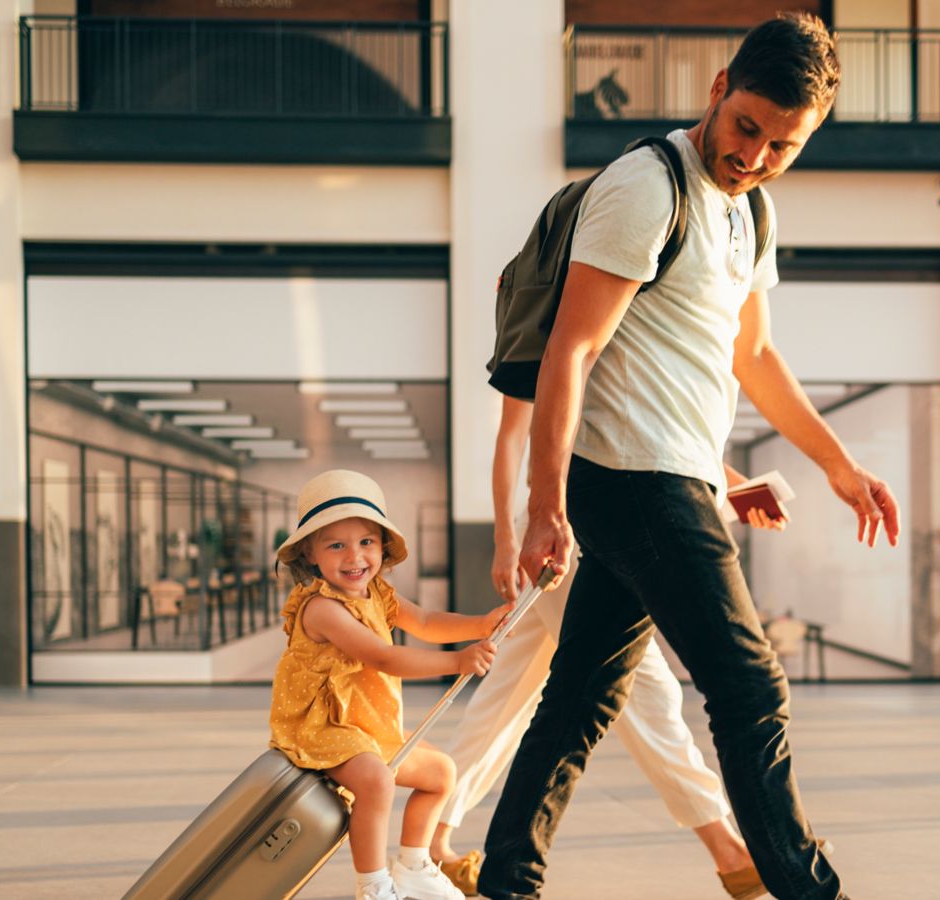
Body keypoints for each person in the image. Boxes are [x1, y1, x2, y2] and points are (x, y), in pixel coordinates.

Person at [477, 14, 899, 900]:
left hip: (674, 480)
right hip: (633, 480)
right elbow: (572, 351)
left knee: (578, 701)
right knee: (751, 690)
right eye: (747, 127)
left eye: (783, 145)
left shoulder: (752, 211)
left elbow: (753, 359)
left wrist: (836, 464)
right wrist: (545, 507)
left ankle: (508, 878)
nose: (755, 156)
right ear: (718, 89)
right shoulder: (646, 186)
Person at [429, 395, 787, 898]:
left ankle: (430, 840)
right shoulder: (554, 326)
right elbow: (512, 437)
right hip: (558, 532)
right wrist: (506, 540)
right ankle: (727, 851)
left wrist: (737, 488)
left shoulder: (625, 340)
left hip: (599, 525)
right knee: (645, 689)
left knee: (505, 696)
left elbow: (651, 437)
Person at [270, 469, 512, 900]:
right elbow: (382, 657)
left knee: (441, 773)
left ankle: (416, 864)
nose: (354, 557)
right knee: (377, 780)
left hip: (364, 727)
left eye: (366, 542)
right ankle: (374, 885)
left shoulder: (379, 594)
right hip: (324, 729)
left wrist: (481, 623)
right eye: (336, 545)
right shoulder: (322, 608)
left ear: (382, 545)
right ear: (311, 554)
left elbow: (425, 622)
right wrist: (457, 661)